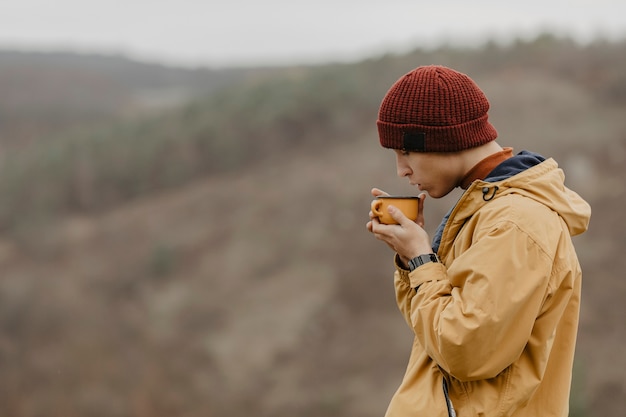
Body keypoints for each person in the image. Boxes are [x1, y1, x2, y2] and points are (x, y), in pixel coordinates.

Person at [366, 65, 591, 417]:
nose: (401, 170)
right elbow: (434, 334)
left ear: (443, 140)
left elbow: (465, 350)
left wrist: (423, 261)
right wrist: (412, 258)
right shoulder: (485, 211)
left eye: (405, 153)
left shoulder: (516, 223)